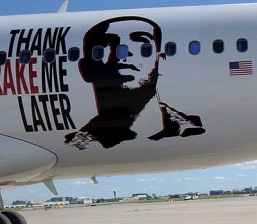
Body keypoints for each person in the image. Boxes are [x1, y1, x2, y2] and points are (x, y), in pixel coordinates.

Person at [65, 16, 205, 149]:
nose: (125, 53)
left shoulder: (191, 129)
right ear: (87, 70)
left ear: (160, 59)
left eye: (142, 45)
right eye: (110, 45)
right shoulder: (79, 144)